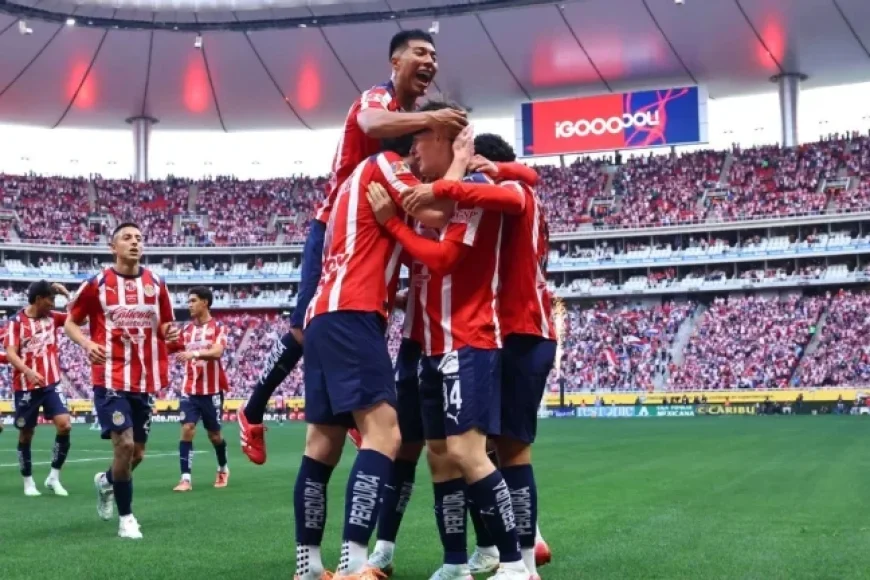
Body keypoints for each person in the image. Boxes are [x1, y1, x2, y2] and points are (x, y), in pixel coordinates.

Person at [237, 28, 467, 465]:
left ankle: (355, 412)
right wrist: (433, 121)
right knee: (305, 327)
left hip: (378, 230)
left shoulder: (411, 119)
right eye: (420, 52)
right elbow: (371, 125)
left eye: (435, 56)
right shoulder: (378, 99)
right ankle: (252, 408)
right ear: (395, 62)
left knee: (371, 316)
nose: (430, 62)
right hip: (337, 225)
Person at [292, 123, 493, 579]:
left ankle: (309, 566)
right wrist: (461, 162)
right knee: (385, 434)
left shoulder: (350, 183)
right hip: (354, 313)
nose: (421, 157)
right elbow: (440, 212)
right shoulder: (386, 165)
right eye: (420, 144)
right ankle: (354, 564)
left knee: (320, 445)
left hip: (323, 316)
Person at [365, 103, 531, 580]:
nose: (412, 151)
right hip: (430, 348)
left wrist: (393, 222)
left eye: (419, 140)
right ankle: (456, 562)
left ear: (445, 140)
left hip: (469, 340)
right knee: (440, 457)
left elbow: (443, 260)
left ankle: (514, 562)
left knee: (468, 453)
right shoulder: (424, 200)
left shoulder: (473, 191)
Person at [65, 222, 178, 540]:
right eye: (127, 238)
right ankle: (127, 519)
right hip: (110, 376)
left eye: (139, 238)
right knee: (124, 445)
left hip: (145, 380)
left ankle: (106, 482)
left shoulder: (157, 283)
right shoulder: (97, 284)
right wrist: (87, 343)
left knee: (136, 454)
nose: (135, 242)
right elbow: (71, 323)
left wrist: (169, 332)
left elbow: (165, 325)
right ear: (112, 247)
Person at [5, 280, 73, 497]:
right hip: (26, 386)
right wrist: (28, 371)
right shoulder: (16, 322)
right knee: (26, 434)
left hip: (51, 383)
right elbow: (10, 353)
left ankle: (54, 477)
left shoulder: (53, 318)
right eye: (51, 299)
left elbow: (80, 318)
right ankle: (28, 481)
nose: (53, 304)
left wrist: (68, 296)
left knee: (65, 425)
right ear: (38, 299)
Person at [169, 286, 230, 492]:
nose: (189, 305)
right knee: (187, 429)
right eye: (188, 301)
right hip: (189, 390)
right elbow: (167, 347)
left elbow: (217, 352)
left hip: (211, 391)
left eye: (193, 301)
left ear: (205, 302)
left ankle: (223, 468)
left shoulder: (218, 327)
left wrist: (193, 354)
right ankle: (185, 479)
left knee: (215, 436)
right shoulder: (186, 331)